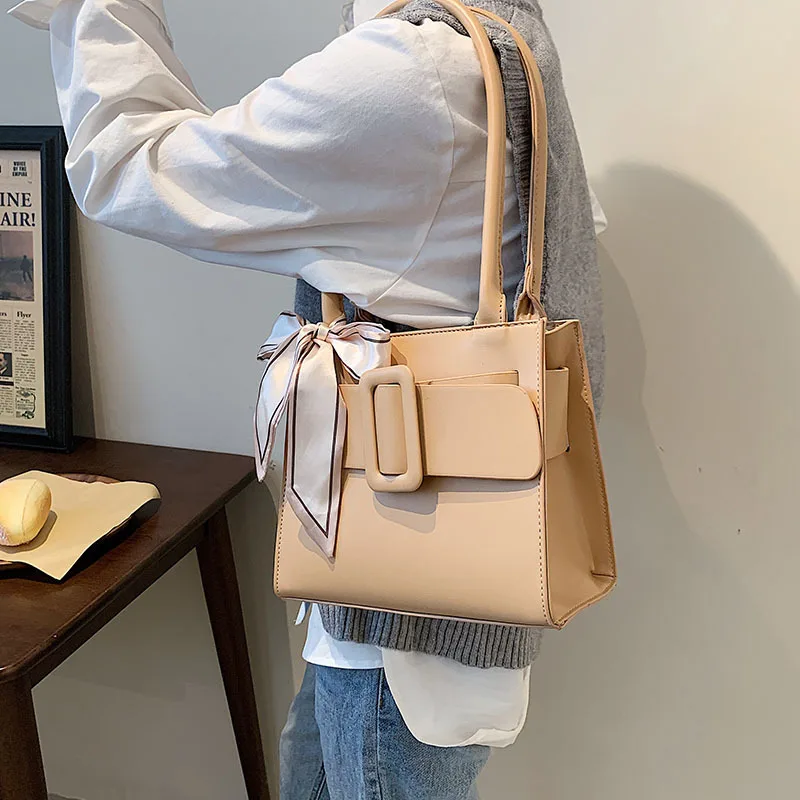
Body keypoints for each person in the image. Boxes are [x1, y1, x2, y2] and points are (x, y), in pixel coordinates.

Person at [9, 0, 606, 797]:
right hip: (413, 610)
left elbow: (129, 166)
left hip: (401, 626)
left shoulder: (414, 72)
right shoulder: (502, 34)